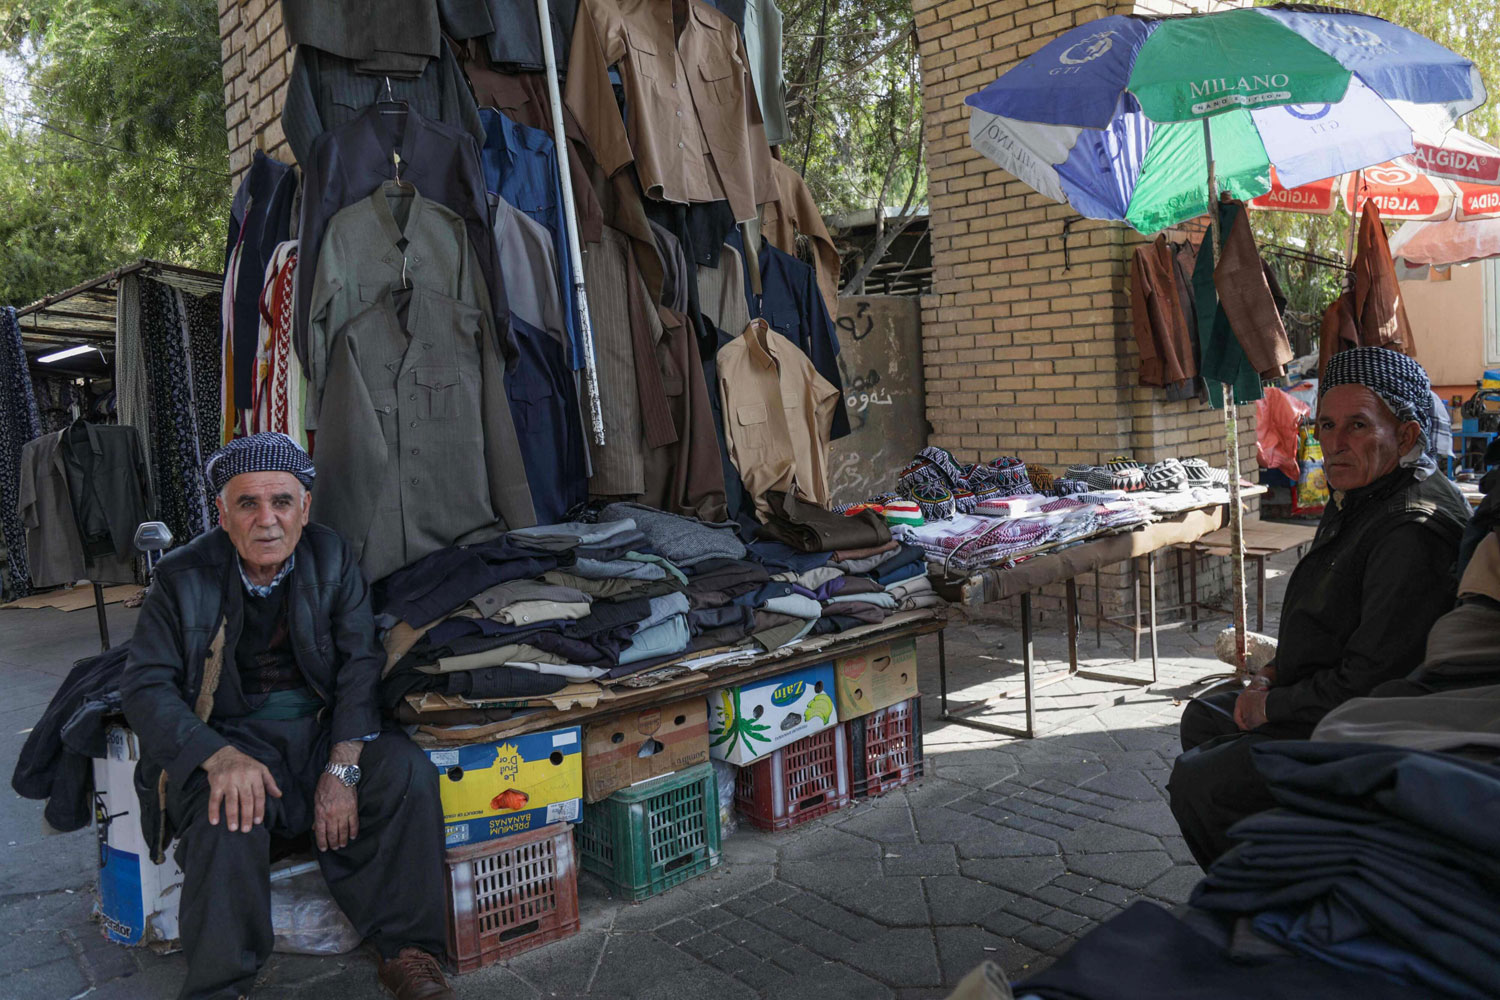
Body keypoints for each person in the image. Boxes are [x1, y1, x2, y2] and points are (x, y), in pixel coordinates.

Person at [121, 433, 452, 1000]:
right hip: (233, 738)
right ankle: (221, 984)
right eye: (247, 504)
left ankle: (408, 951)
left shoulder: (332, 555)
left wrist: (344, 764)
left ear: (305, 507)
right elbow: (144, 685)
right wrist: (217, 757)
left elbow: (358, 663)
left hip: (324, 730)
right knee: (230, 809)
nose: (266, 520)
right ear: (222, 515)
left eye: (281, 502)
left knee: (405, 774)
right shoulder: (181, 575)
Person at [1168, 348, 1470, 870]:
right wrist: (1269, 675)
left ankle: (1270, 901)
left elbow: (1374, 682)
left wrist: (1275, 705)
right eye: (1327, 425)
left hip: (1375, 725)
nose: (1335, 444)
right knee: (1207, 714)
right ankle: (1270, 868)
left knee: (1203, 782)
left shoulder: (1412, 530)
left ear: (1407, 436)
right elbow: (1326, 620)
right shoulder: (1366, 492)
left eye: (1358, 425)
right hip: (1326, 692)